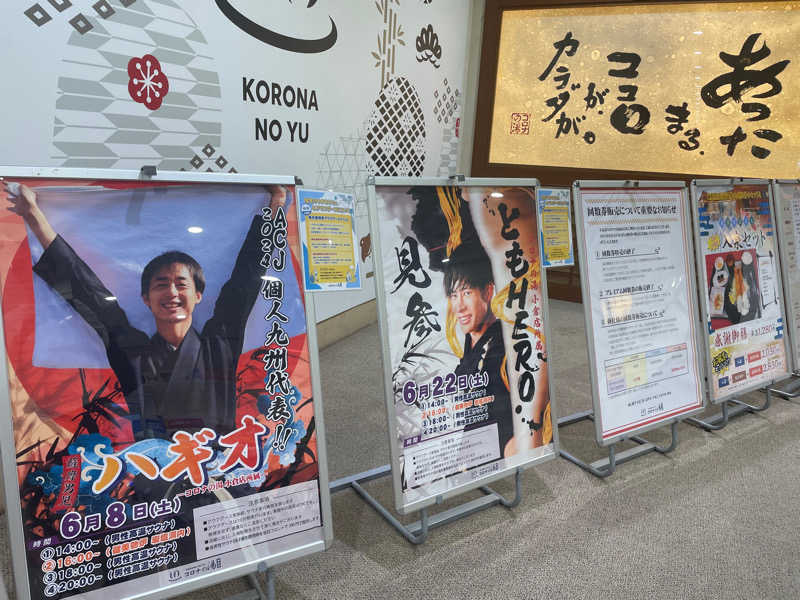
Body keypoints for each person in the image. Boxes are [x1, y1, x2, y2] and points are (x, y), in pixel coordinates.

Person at [4, 181, 278, 441]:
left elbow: (246, 281)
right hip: (155, 479)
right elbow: (89, 294)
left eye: (181, 284)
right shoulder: (133, 354)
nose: (171, 292)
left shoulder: (218, 346)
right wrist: (34, 216)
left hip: (221, 476)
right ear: (146, 298)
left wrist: (275, 206)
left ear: (198, 295)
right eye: (161, 285)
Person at [443, 243, 516, 457]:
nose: (459, 306)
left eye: (466, 292)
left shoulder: (502, 345)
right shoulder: (472, 337)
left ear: (488, 290)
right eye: (454, 295)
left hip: (491, 453)